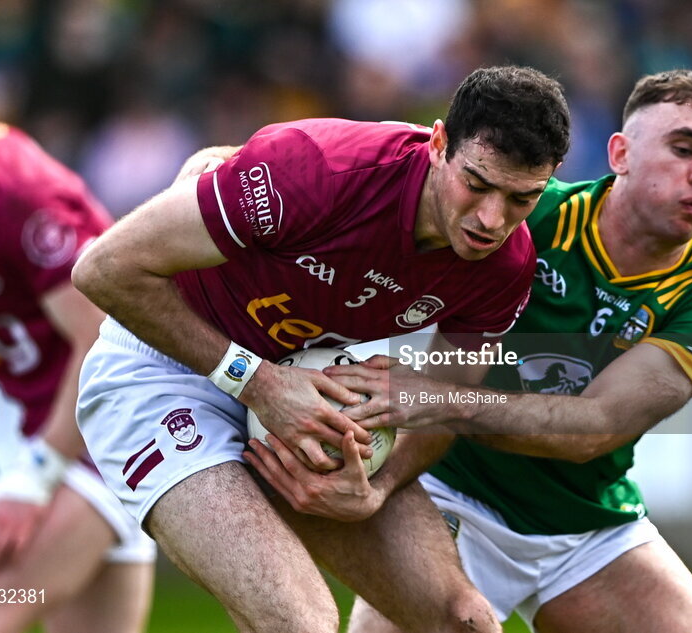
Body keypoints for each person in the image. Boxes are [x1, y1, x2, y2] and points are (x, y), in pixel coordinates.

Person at [245, 69, 692, 632]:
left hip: (586, 527)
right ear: (621, 153)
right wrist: (385, 482)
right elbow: (380, 165)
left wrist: (435, 399)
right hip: (447, 492)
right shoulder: (520, 210)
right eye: (684, 148)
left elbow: (596, 429)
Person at [71, 65, 571, 633]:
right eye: (477, 184)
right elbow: (102, 269)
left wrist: (377, 487)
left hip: (303, 388)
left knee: (463, 621)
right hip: (162, 373)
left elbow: (448, 395)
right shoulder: (320, 171)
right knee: (302, 622)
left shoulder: (504, 268)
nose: (491, 219)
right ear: (438, 144)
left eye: (521, 199)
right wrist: (257, 382)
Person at [0, 32, 156, 633]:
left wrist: (33, 479)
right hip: (70, 436)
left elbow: (105, 332)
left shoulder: (12, 192)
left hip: (121, 429)